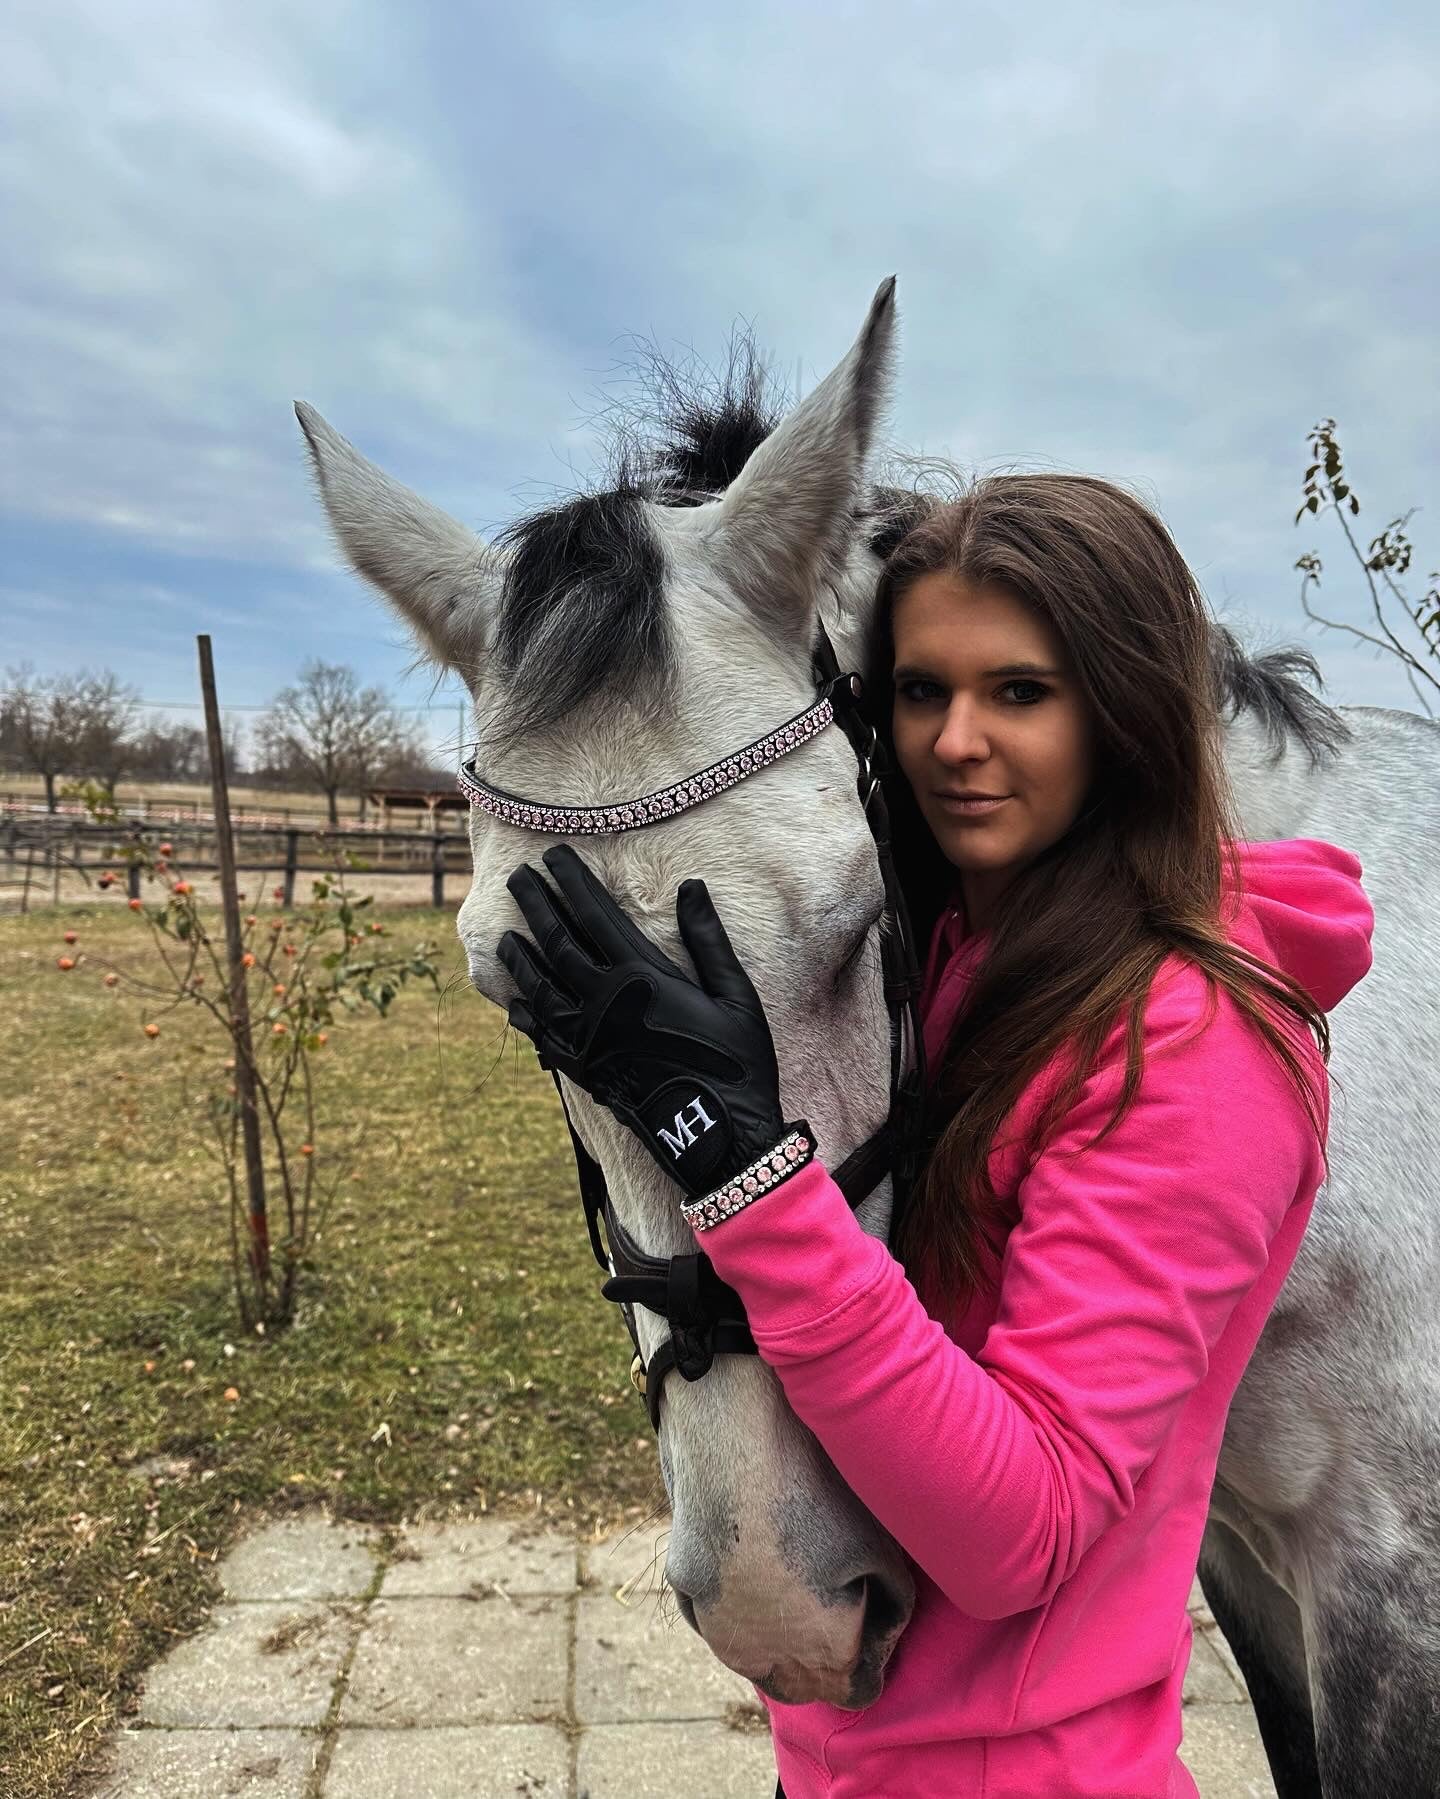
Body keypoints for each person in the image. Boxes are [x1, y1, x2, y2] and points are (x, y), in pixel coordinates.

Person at [496, 473, 1375, 1798]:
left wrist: (743, 1170)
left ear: (1125, 712)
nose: (955, 742)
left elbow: (1028, 1530)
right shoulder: (965, 957)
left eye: (1020, 691)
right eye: (921, 692)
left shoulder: (1194, 1048)